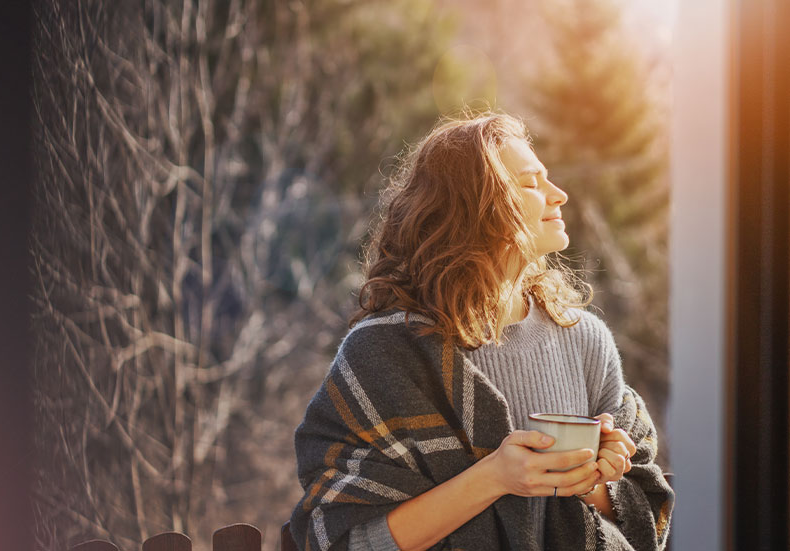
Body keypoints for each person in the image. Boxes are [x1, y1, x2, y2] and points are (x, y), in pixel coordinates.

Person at [289, 113, 674, 551]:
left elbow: (645, 519)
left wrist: (592, 480)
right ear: (476, 207)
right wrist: (493, 478)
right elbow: (347, 541)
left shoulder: (585, 339)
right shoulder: (385, 352)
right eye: (531, 183)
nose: (559, 194)